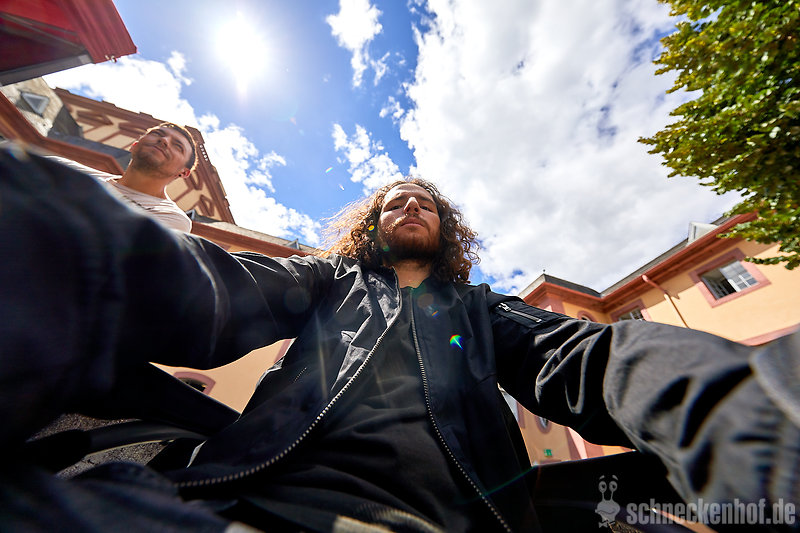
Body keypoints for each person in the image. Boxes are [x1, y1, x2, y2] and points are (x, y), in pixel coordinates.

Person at [0, 147, 798, 532]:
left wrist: (741, 408)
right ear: (373, 227)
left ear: (446, 228)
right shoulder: (327, 281)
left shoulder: (480, 309)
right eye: (393, 201)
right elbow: (212, 292)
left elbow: (584, 359)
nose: (410, 204)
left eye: (425, 201)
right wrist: (62, 232)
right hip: (244, 503)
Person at [47, 122, 197, 232]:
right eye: (157, 134)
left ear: (184, 172)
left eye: (178, 146)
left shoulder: (173, 218)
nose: (164, 140)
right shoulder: (63, 166)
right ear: (134, 145)